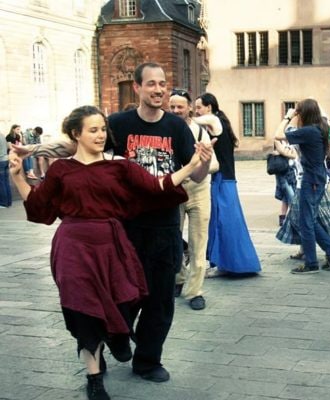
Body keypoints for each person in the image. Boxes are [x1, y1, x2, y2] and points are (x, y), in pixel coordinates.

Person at [12, 62, 213, 383]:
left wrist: (201, 162)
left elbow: (196, 174)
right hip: (123, 226)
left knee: (160, 299)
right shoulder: (118, 124)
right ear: (137, 87)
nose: (158, 89)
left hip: (165, 224)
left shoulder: (176, 127)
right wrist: (33, 149)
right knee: (122, 294)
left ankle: (147, 361)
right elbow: (76, 147)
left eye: (162, 84)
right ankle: (107, 341)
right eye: (151, 84)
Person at [196, 92, 261, 276]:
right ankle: (227, 264)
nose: (196, 111)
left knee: (221, 222)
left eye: (199, 107)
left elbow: (191, 121)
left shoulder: (214, 120)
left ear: (209, 107)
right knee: (224, 222)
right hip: (225, 180)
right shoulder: (218, 122)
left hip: (222, 180)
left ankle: (223, 264)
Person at [275, 98, 330, 274]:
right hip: (317, 177)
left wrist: (288, 116)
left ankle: (311, 263)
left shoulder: (309, 131)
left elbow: (278, 135)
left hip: (311, 179)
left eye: (299, 112)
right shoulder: (320, 128)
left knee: (305, 222)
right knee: (310, 219)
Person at [169, 89, 214, 311]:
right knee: (173, 239)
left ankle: (195, 291)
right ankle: (178, 279)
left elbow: (214, 164)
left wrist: (201, 163)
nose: (176, 110)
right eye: (172, 106)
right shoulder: (164, 129)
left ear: (189, 108)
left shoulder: (200, 131)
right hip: (174, 192)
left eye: (180, 106)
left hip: (198, 190)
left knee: (198, 242)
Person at [272, 137, 299, 227]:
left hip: (292, 172)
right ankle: (295, 219)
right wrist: (287, 152)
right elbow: (292, 155)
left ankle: (282, 218)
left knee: (285, 198)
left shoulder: (292, 141)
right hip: (282, 173)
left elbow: (294, 155)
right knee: (291, 197)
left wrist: (284, 152)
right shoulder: (278, 141)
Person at [0, 131, 10, 208]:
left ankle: (3, 203)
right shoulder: (2, 135)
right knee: (6, 182)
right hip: (6, 159)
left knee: (1, 182)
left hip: (0, 160)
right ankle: (8, 202)